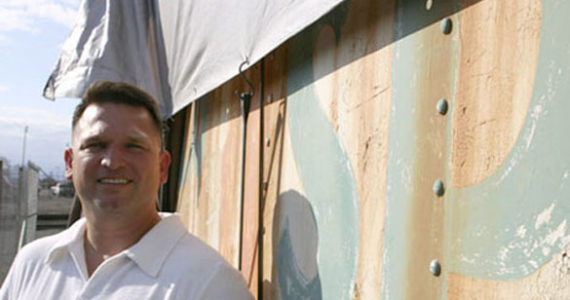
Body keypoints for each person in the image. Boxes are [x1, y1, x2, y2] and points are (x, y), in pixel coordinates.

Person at [0, 81, 254, 300]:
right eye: (96, 145)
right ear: (70, 163)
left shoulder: (211, 283)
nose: (112, 161)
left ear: (163, 167)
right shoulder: (33, 263)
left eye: (133, 146)